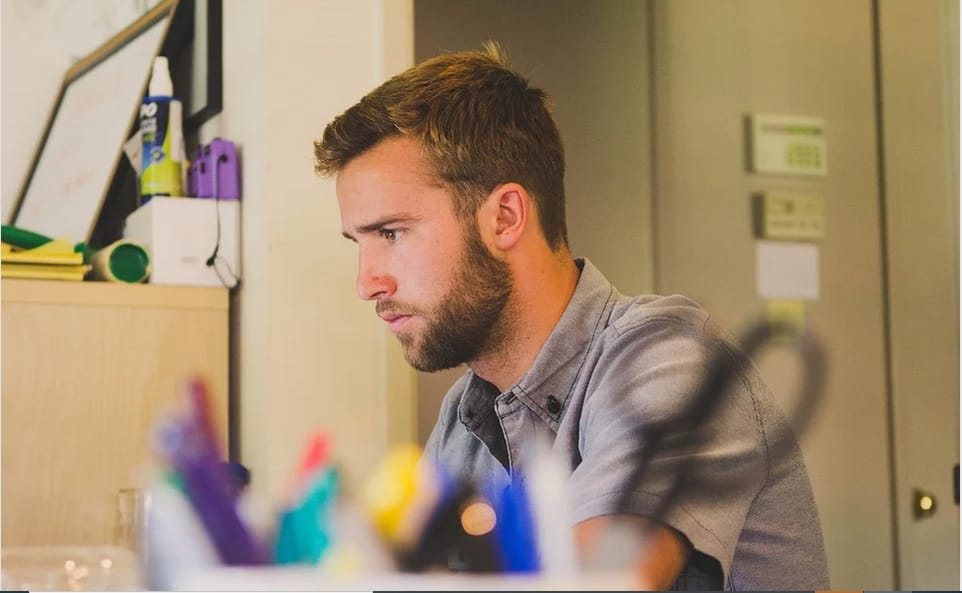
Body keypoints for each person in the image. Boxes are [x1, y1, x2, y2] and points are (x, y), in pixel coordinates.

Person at [313, 42, 829, 590]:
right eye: (358, 243)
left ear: (505, 218)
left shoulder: (670, 357)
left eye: (391, 234)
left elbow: (598, 580)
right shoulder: (463, 418)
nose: (367, 282)